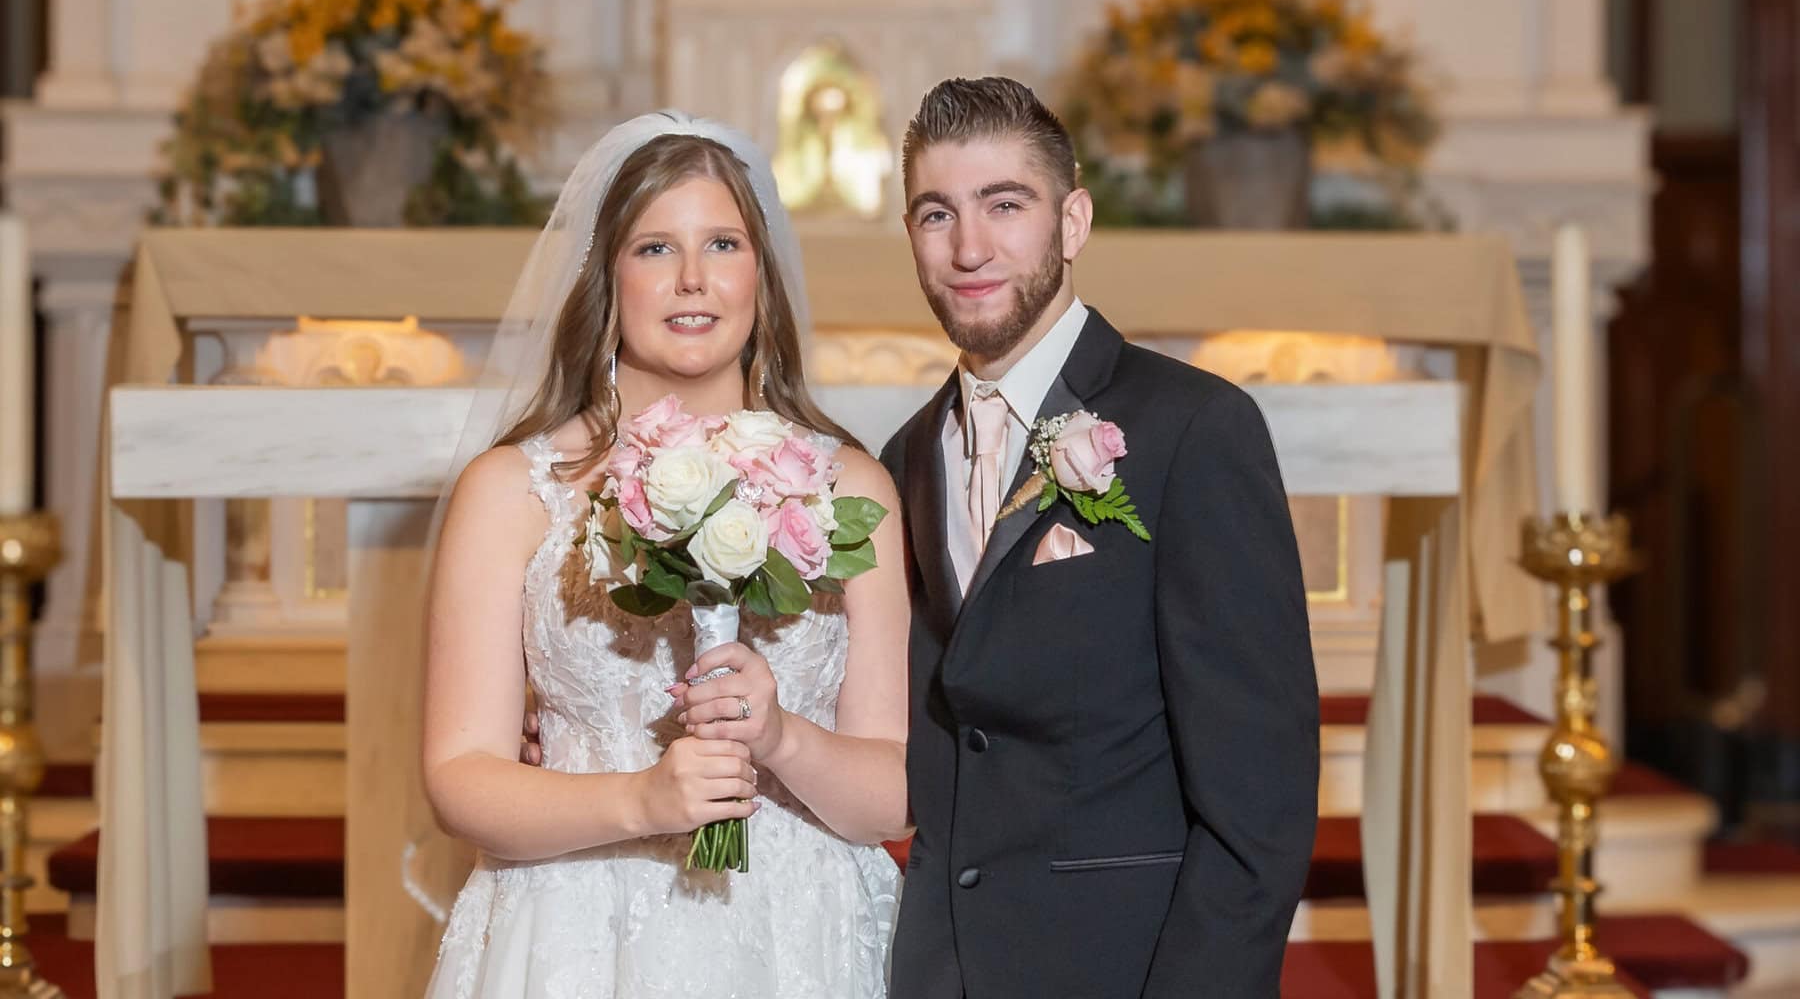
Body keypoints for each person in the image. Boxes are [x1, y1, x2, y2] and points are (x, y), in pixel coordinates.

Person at [421, 112, 909, 998]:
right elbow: (460, 778)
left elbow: (896, 788)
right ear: (606, 279)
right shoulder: (512, 493)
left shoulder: (854, 489)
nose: (693, 279)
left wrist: (782, 740)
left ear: (762, 273)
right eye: (654, 249)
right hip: (576, 928)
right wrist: (640, 800)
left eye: (722, 243)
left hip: (801, 931)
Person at [879, 77, 1320, 998]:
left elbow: (1259, 810)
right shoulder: (906, 456)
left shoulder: (1194, 429)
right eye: (935, 213)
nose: (969, 247)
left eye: (1006, 205)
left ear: (1072, 223)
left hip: (1125, 969)